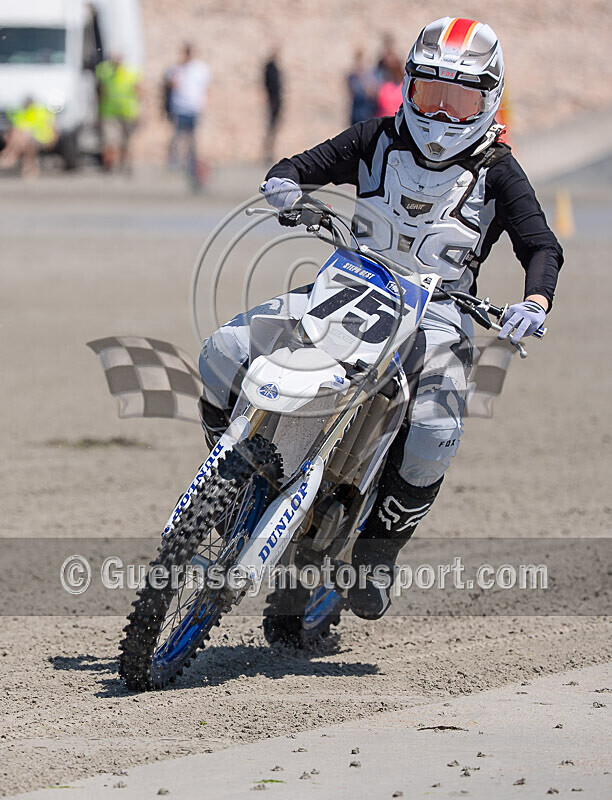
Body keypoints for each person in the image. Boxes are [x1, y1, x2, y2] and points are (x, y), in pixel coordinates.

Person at [199, 17, 563, 620]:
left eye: (461, 98)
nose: (443, 114)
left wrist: (534, 301)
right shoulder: (377, 138)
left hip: (443, 314)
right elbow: (295, 167)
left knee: (433, 431)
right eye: (431, 94)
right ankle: (231, 481)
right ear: (409, 87)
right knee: (222, 351)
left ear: (490, 98)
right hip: (349, 289)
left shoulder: (499, 171)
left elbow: (541, 246)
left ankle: (378, 553)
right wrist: (286, 189)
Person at [167, 43, 210, 190]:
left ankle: (192, 164)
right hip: (179, 108)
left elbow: (206, 88)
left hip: (194, 108)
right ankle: (175, 162)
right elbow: (171, 85)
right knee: (177, 137)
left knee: (193, 140)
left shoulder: (201, 69)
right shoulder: (176, 68)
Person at [95, 54, 142, 173]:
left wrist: (141, 111)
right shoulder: (104, 71)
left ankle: (125, 165)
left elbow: (139, 92)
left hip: (127, 113)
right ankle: (109, 166)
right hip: (109, 112)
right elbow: (100, 91)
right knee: (110, 141)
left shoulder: (130, 73)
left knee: (126, 142)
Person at [0, 97, 57, 177]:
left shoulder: (39, 112)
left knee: (26, 138)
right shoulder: (24, 113)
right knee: (25, 140)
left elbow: (53, 128)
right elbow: (19, 127)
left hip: (43, 138)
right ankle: (27, 167)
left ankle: (10, 155)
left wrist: (53, 139)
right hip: (28, 139)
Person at [347, 49, 378, 125]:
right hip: (357, 111)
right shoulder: (353, 76)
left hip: (366, 111)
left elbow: (373, 92)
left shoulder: (369, 75)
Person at [263, 49, 283, 163]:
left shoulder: (273, 68)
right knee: (271, 128)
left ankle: (270, 152)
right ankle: (268, 152)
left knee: (273, 128)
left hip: (275, 100)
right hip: (273, 101)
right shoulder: (270, 68)